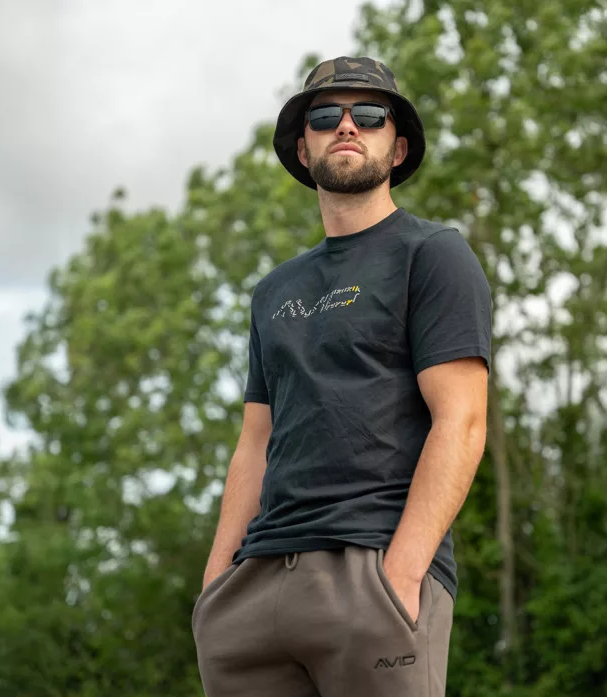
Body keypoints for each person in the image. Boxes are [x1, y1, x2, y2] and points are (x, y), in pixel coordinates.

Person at [192, 56, 492, 697]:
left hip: (371, 571)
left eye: (371, 114)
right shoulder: (274, 291)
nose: (347, 126)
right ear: (304, 150)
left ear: (398, 145)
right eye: (325, 116)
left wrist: (401, 576)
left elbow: (461, 421)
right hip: (254, 589)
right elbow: (254, 444)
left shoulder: (433, 254)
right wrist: (214, 589)